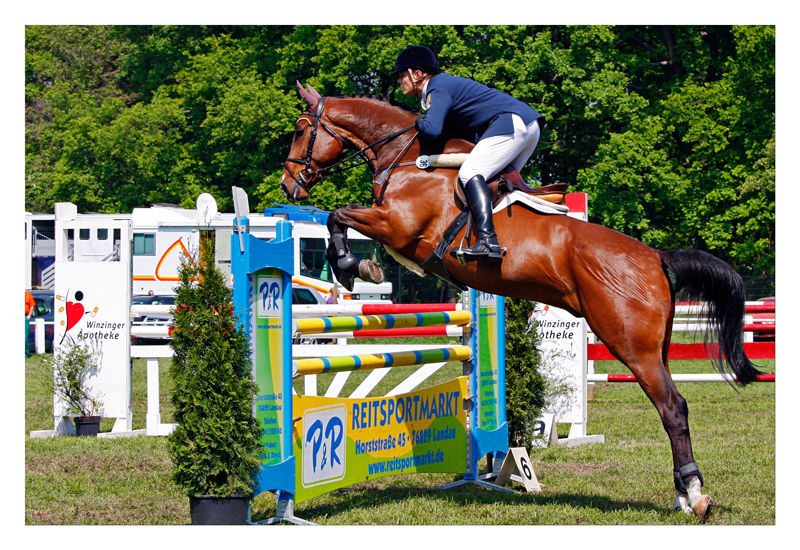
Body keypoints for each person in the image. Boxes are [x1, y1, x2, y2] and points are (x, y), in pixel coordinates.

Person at [392, 45, 545, 263]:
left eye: (401, 75)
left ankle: (487, 241)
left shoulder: (437, 86)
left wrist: (417, 120)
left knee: (470, 173)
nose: (399, 81)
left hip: (511, 122)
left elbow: (432, 129)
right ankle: (516, 240)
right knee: (496, 187)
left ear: (418, 74)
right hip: (526, 125)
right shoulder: (440, 87)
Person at [25, 290, 36, 357]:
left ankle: (25, 354)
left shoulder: (27, 294)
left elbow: (32, 306)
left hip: (24, 317)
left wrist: (28, 316)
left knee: (25, 337)